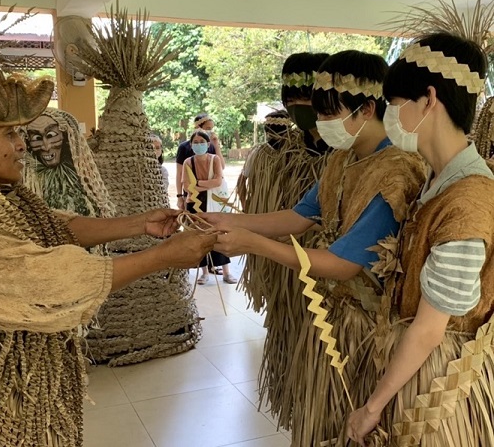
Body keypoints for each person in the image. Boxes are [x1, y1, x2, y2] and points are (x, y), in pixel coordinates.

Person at [0, 66, 216, 447]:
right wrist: (163, 257)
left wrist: (140, 224)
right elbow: (51, 280)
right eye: (9, 133)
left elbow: (56, 228)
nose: (22, 145)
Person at [203, 50, 426, 444]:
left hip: (367, 335)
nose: (320, 123)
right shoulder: (341, 159)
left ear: (366, 108)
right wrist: (226, 221)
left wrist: (253, 243)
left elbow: (342, 264)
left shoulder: (396, 171)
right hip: (333, 317)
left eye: (328, 113)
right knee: (321, 426)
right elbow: (298, 217)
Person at [347, 33, 494, 447]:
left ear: (428, 99)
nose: (391, 116)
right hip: (412, 370)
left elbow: (431, 329)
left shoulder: (468, 199)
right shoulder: (437, 182)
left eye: (394, 105)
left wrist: (372, 407)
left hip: (438, 386)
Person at [20, 107, 115, 219]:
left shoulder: (85, 178)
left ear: (66, 136)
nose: (46, 146)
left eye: (51, 135)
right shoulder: (27, 184)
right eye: (36, 138)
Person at [183, 129, 237, 285]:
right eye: (195, 142)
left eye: (202, 142)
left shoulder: (215, 160)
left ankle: (226, 272)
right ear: (191, 145)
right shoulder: (188, 162)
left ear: (207, 144)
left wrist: (198, 183)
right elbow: (187, 186)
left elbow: (218, 181)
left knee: (219, 233)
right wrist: (206, 184)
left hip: (215, 202)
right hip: (195, 202)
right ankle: (204, 273)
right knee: (199, 235)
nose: (199, 145)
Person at [281, 52, 331, 155]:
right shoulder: (289, 150)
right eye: (291, 100)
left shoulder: (348, 150)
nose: (297, 105)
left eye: (306, 98)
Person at [175, 113, 224, 210]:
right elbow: (180, 175)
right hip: (192, 197)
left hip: (212, 198)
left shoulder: (211, 147)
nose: (210, 131)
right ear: (198, 127)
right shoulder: (184, 148)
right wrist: (179, 196)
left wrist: (216, 145)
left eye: (212, 128)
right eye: (208, 128)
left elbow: (221, 169)